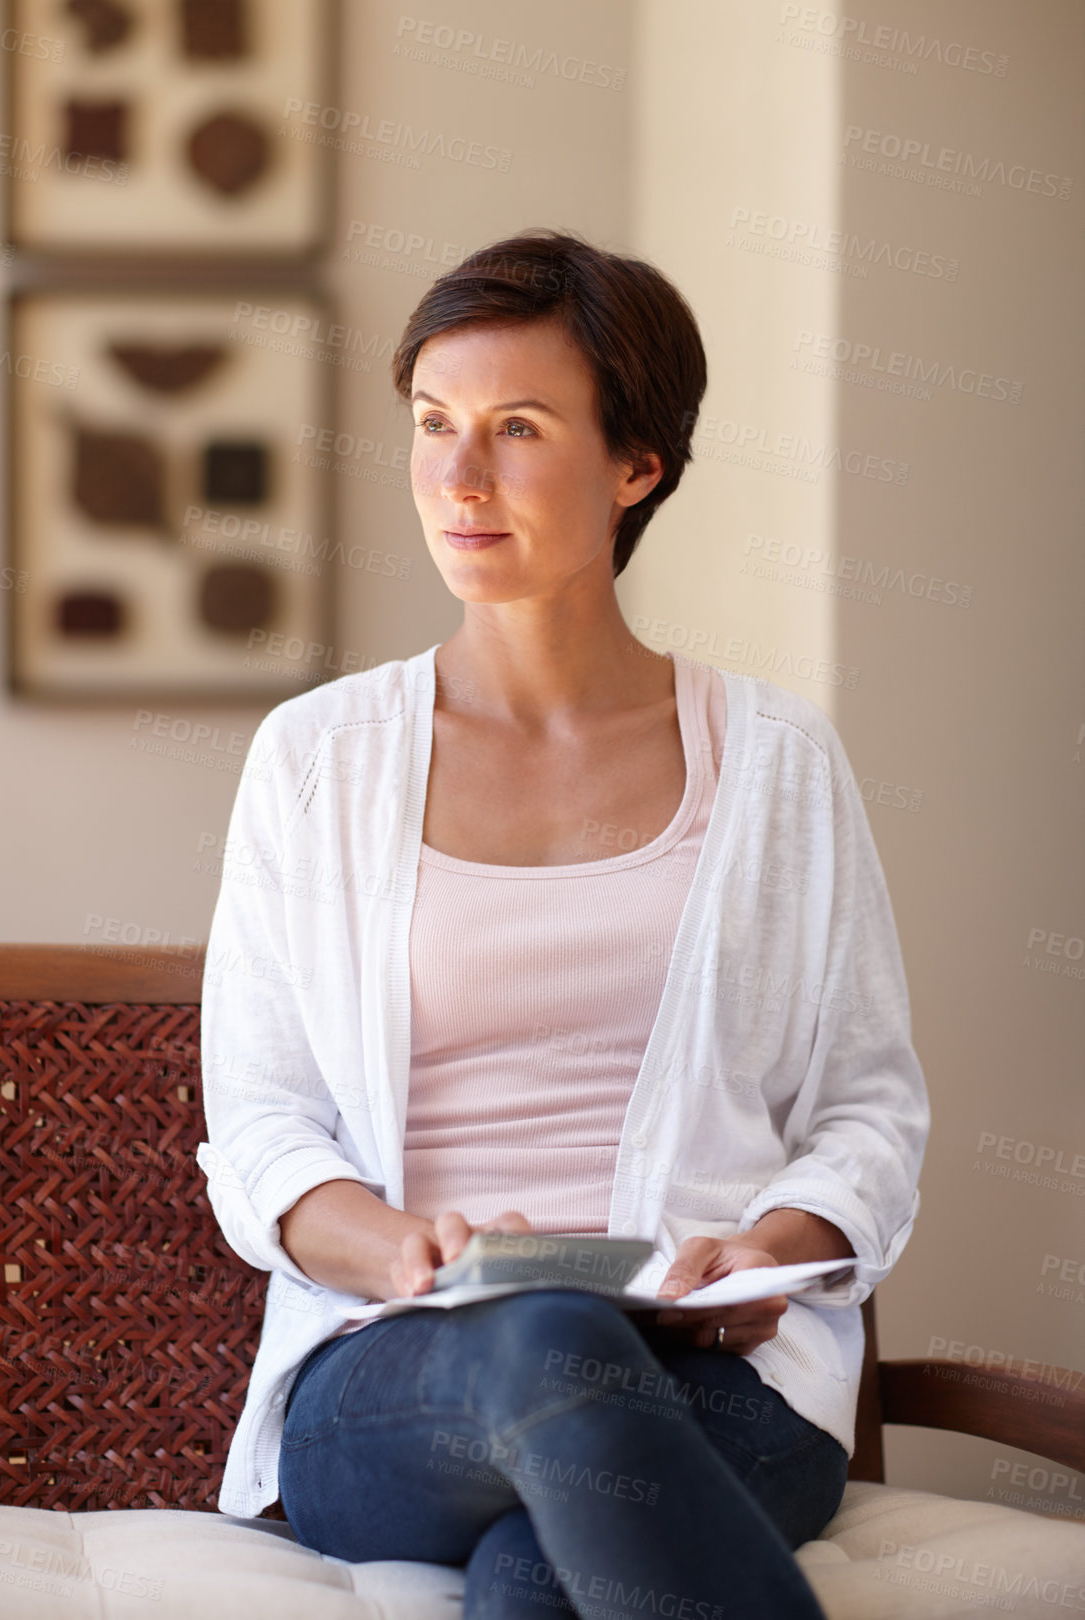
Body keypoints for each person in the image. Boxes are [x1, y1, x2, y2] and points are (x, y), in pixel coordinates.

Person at [197, 230, 930, 1620]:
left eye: (516, 430)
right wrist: (399, 1245)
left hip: (723, 1383)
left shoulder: (776, 762)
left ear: (634, 464)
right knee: (548, 1341)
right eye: (432, 427)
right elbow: (264, 1122)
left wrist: (766, 1251)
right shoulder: (315, 759)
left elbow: (867, 1110)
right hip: (403, 1371)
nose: (457, 479)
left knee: (538, 1580)